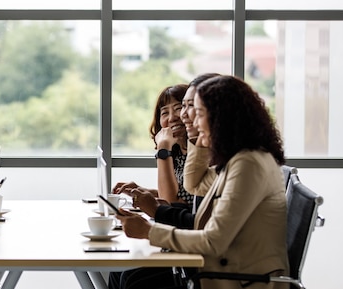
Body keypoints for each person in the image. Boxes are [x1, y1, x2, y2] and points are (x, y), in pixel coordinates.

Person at [116, 75, 289, 289]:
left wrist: (148, 231)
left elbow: (213, 242)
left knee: (134, 281)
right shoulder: (237, 159)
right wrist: (198, 138)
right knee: (124, 276)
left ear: (221, 117)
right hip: (224, 267)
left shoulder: (249, 165)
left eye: (197, 113)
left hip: (239, 279)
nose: (191, 121)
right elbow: (194, 184)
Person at [113, 84, 194, 208]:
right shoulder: (178, 153)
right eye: (165, 112)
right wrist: (144, 192)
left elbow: (171, 204)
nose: (172, 118)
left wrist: (163, 148)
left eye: (178, 108)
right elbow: (178, 197)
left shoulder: (200, 152)